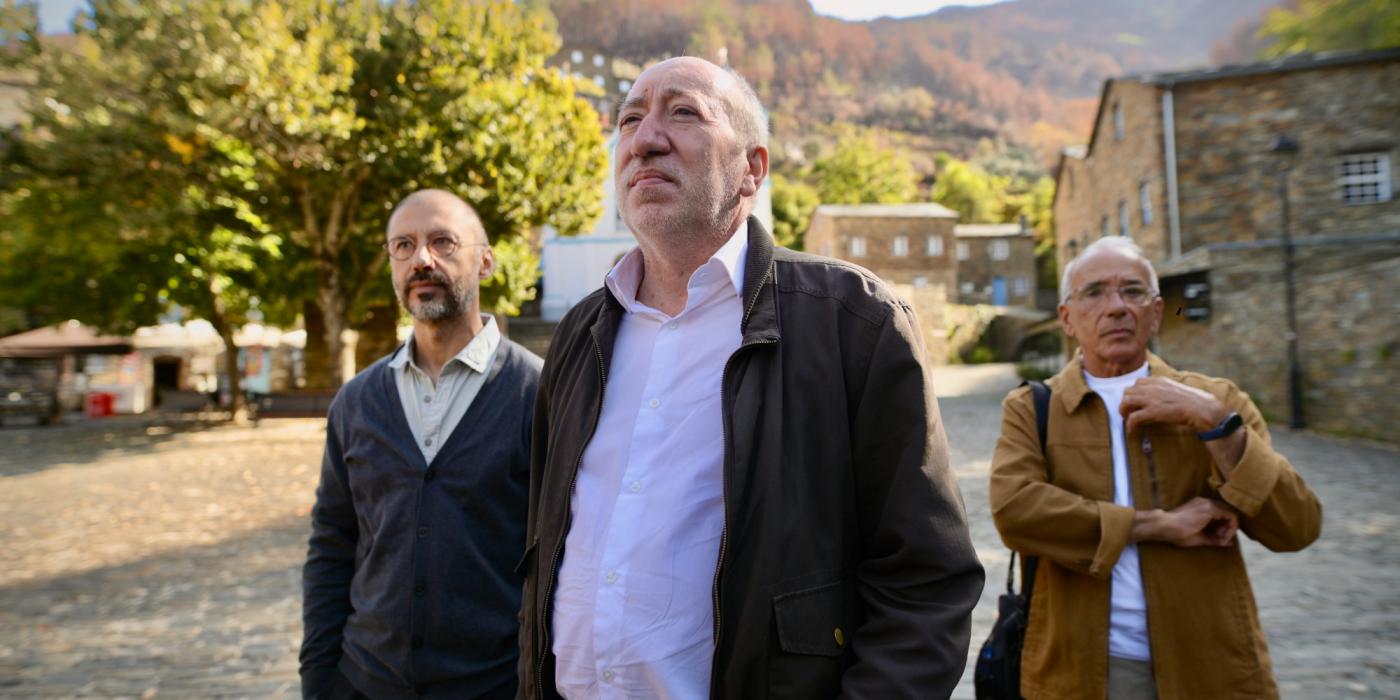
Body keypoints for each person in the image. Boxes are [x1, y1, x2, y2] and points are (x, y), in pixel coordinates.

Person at [516, 57, 984, 699]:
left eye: (684, 112)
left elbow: (925, 582)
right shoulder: (580, 334)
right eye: (629, 119)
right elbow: (542, 555)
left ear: (752, 170)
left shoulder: (854, 322)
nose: (644, 139)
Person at [989, 236, 1322, 699]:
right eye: (1094, 293)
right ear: (1067, 318)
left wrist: (1218, 426)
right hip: (1082, 670)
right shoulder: (1032, 408)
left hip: (1210, 666)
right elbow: (1015, 512)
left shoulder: (1218, 400)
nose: (1117, 307)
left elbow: (1297, 526)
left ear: (1156, 312)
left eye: (1133, 291)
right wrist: (1159, 525)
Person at [301, 189, 542, 699]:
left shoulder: (540, 393)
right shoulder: (357, 402)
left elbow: (566, 556)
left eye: (443, 242)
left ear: (485, 261)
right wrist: (320, 680)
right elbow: (332, 544)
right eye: (403, 246)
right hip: (365, 683)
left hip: (495, 686)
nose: (422, 260)